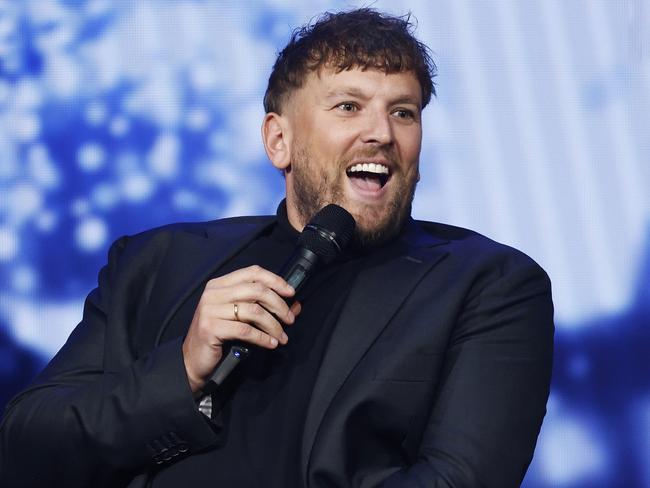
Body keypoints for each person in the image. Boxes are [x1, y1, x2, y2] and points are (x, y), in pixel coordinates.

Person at [0, 8, 553, 488]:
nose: (382, 132)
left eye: (403, 112)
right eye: (348, 106)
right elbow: (26, 449)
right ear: (277, 140)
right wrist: (183, 370)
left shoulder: (487, 286)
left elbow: (458, 480)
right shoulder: (156, 264)